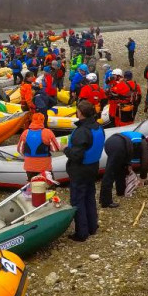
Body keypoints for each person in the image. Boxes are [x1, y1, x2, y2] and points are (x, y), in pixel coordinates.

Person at [58, 100, 106, 242]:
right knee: (89, 196)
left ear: (81, 114)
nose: (76, 113)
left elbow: (76, 155)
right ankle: (92, 227)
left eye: (78, 111)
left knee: (78, 200)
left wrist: (64, 148)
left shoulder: (82, 131)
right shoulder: (98, 127)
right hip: (93, 168)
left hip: (80, 170)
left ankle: (82, 233)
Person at [99, 131, 148, 208]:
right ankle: (105, 201)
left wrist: (128, 165)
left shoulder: (138, 138)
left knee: (121, 167)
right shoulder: (145, 144)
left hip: (110, 142)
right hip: (119, 146)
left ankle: (121, 191)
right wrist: (142, 178)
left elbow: (128, 154)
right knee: (110, 173)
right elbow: (145, 163)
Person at [17, 112, 59, 180]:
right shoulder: (48, 133)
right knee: (48, 186)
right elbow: (55, 149)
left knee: (32, 186)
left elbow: (20, 150)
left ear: (32, 120)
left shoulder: (25, 133)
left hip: (29, 167)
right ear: (43, 120)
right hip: (44, 167)